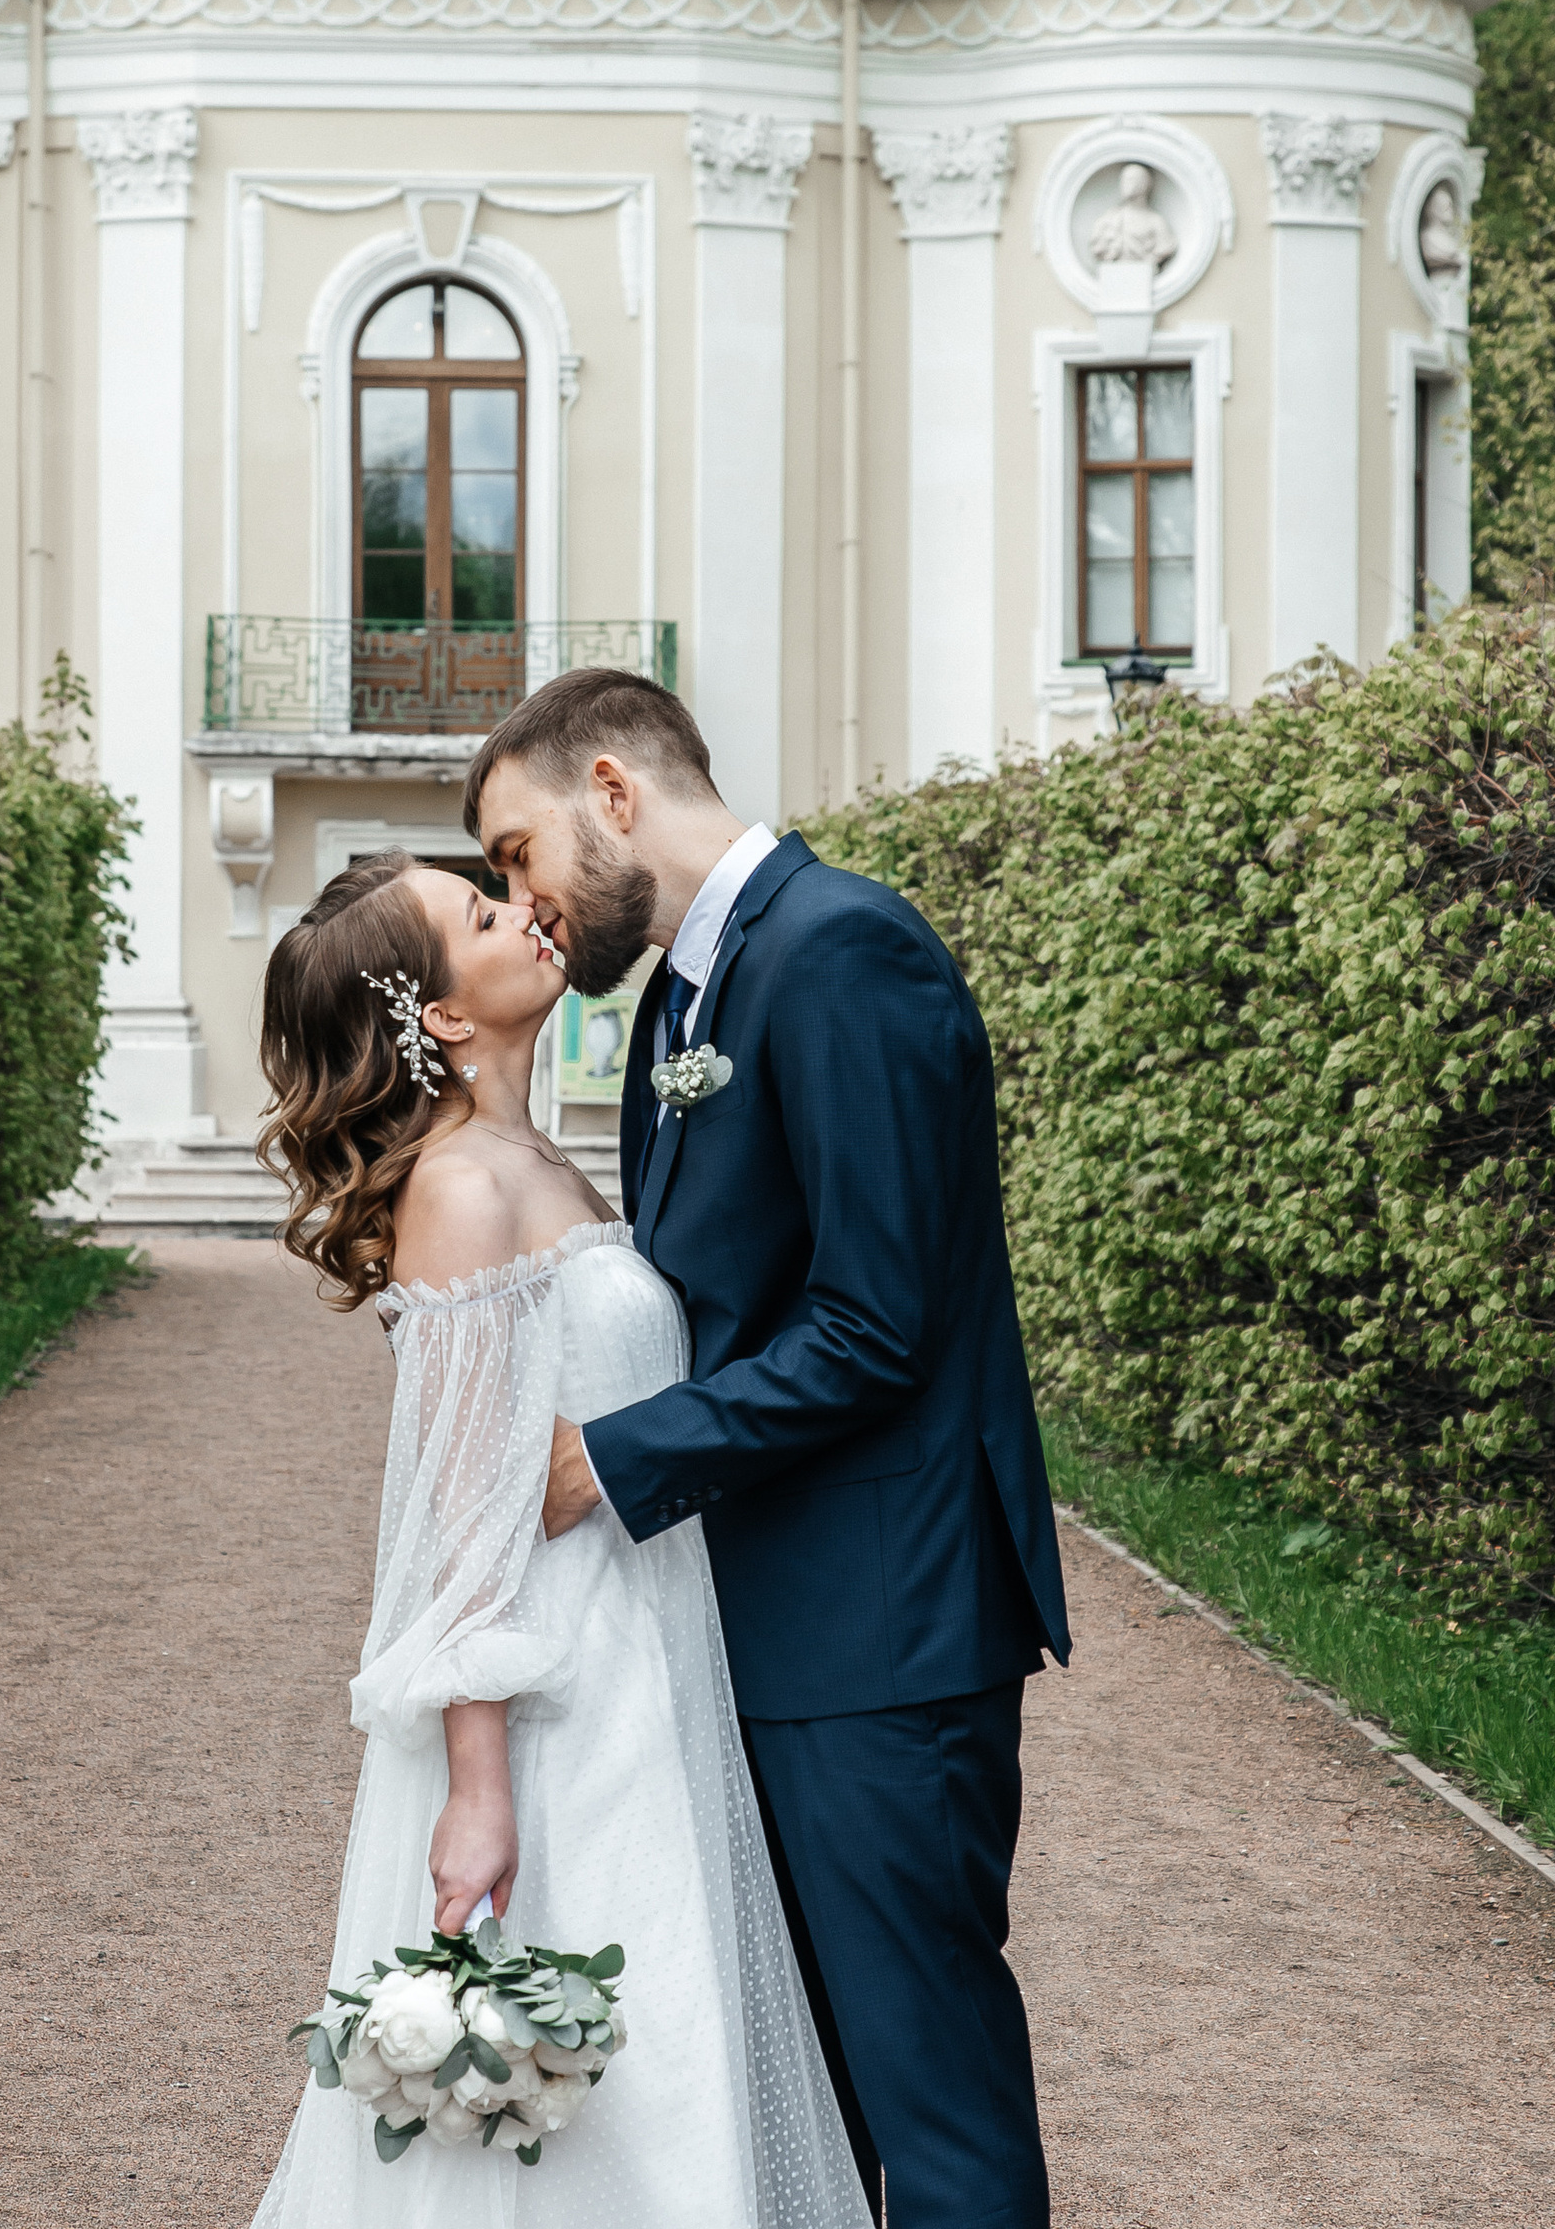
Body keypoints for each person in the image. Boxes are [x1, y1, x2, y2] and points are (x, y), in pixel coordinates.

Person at [467, 671, 1071, 2229]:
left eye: (520, 851)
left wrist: (606, 1461)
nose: (522, 901)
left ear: (612, 792)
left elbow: (881, 1322)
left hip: (884, 1624)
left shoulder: (848, 952)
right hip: (757, 1619)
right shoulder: (685, 996)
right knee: (805, 2080)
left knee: (921, 2088)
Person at [248, 852, 870, 2229]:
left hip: (652, 1640)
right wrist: (478, 1785)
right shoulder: (464, 1190)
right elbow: (472, 1518)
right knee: (615, 2054)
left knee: (666, 2031)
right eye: (480, 916)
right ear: (445, 1017)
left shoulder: (536, 1158)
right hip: (564, 1693)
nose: (523, 911)